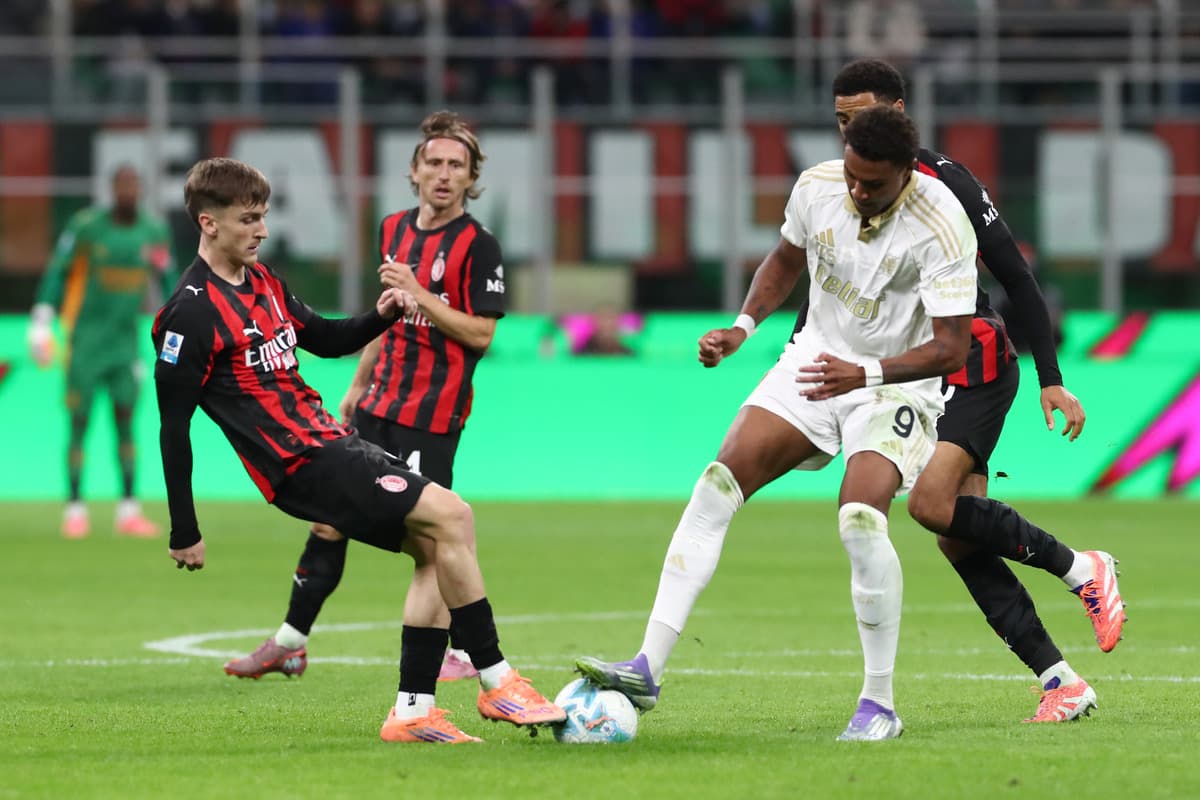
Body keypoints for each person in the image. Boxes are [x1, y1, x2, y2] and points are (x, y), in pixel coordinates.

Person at [581, 105, 982, 741]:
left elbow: (953, 348)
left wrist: (867, 375)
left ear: (906, 173)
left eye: (872, 184)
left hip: (894, 387)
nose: (857, 191)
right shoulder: (818, 187)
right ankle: (646, 667)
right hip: (813, 362)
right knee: (717, 482)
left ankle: (879, 704)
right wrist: (741, 329)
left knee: (860, 520)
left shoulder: (943, 222)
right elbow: (785, 261)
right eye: (852, 176)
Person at [154, 156, 563, 744]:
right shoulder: (189, 314)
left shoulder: (264, 283)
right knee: (453, 515)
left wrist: (381, 314)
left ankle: (413, 712)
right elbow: (174, 429)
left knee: (436, 547)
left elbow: (323, 337)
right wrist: (183, 529)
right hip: (301, 464)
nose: (262, 231)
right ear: (208, 223)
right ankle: (498, 682)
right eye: (249, 219)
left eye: (264, 217)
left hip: (333, 443)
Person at [819, 59, 1123, 724]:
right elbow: (825, 286)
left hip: (972, 365)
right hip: (914, 374)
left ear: (898, 113)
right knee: (959, 538)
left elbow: (1016, 276)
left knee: (931, 505)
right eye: (842, 122)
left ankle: (1082, 566)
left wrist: (1052, 379)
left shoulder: (945, 183)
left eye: (864, 116)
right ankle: (1060, 680)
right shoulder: (846, 190)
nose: (852, 132)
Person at [224, 110, 504, 688]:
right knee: (329, 522)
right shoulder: (394, 229)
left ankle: (453, 655)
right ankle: (290, 643)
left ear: (472, 177)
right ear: (415, 170)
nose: (444, 175)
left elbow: (480, 334)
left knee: (431, 540)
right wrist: (355, 385)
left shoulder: (480, 246)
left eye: (457, 166)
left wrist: (420, 292)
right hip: (376, 404)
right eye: (435, 163)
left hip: (431, 418)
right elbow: (387, 319)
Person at [28, 164, 175, 539]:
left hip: (126, 345)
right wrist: (42, 319)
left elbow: (169, 281)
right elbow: (58, 270)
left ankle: (129, 511)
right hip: (85, 343)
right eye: (122, 184)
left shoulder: (153, 232)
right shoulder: (86, 227)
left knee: (126, 422)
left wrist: (177, 328)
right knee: (79, 423)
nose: (128, 191)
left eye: (134, 184)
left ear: (140, 190)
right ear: (112, 189)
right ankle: (75, 509)